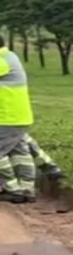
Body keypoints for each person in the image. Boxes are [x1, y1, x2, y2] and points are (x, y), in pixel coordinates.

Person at [0, 37, 38, 203]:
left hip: (7, 117)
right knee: (20, 153)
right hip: (18, 116)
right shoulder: (10, 56)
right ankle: (27, 189)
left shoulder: (2, 60)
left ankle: (13, 189)